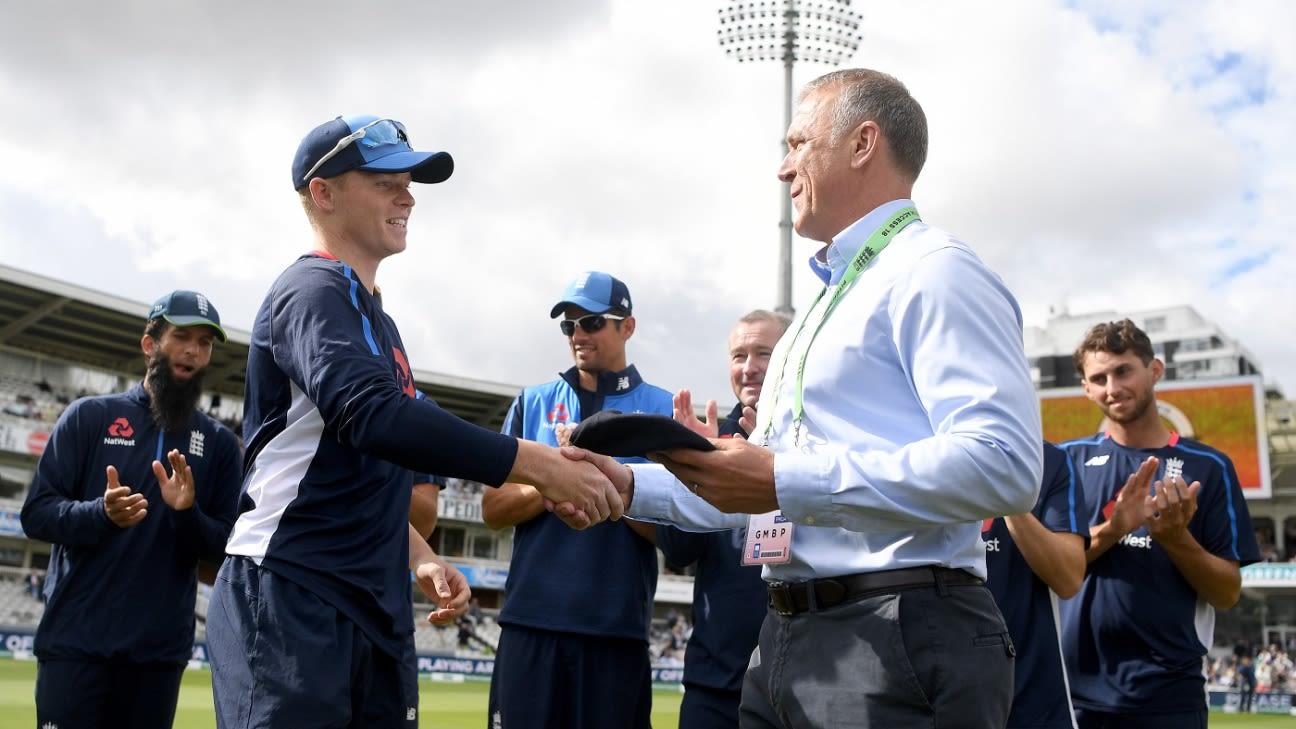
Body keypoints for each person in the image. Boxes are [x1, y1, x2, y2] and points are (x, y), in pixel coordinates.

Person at [564, 68, 1043, 729]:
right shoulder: (820, 309)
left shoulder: (936, 270)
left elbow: (1005, 465)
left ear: (861, 142)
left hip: (898, 627)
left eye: (797, 144)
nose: (784, 169)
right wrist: (622, 483)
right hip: (789, 634)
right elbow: (758, 483)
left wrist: (784, 476)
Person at [205, 114, 622, 729]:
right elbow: (374, 417)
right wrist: (539, 465)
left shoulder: (376, 319)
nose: (407, 195)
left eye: (408, 180)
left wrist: (419, 553)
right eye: (383, 180)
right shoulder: (311, 288)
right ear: (323, 193)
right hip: (293, 588)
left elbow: (357, 465)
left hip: (369, 601)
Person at [20, 290, 242, 729]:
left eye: (204, 342)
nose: (193, 351)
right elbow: (37, 513)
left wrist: (186, 513)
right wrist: (100, 514)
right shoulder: (89, 416)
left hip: (157, 658)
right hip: (75, 646)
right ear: (149, 344)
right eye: (181, 337)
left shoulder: (218, 444)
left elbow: (227, 547)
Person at [482, 271, 673, 729]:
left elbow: (674, 531)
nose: (578, 335)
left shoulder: (661, 410)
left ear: (627, 326)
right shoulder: (532, 403)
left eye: (591, 322)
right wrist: (553, 476)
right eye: (569, 326)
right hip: (530, 623)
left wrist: (612, 481)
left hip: (615, 631)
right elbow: (492, 510)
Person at [1058, 318, 1260, 729]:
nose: (1112, 388)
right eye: (1098, 377)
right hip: (1070, 691)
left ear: (1154, 370)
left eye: (1123, 371)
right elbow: (1054, 568)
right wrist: (1115, 528)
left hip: (1169, 694)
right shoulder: (1066, 462)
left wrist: (1176, 539)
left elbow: (1226, 592)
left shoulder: (1211, 467)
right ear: (1086, 388)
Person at [655, 309, 790, 729]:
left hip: (802, 682)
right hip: (714, 686)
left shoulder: (816, 438)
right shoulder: (710, 441)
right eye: (738, 355)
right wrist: (690, 466)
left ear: (790, 355)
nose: (748, 368)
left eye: (763, 353)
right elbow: (678, 549)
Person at [983, 442, 1089, 728]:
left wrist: (1008, 497)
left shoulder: (1048, 460)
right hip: (935, 686)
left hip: (1032, 696)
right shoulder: (917, 448)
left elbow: (1068, 579)